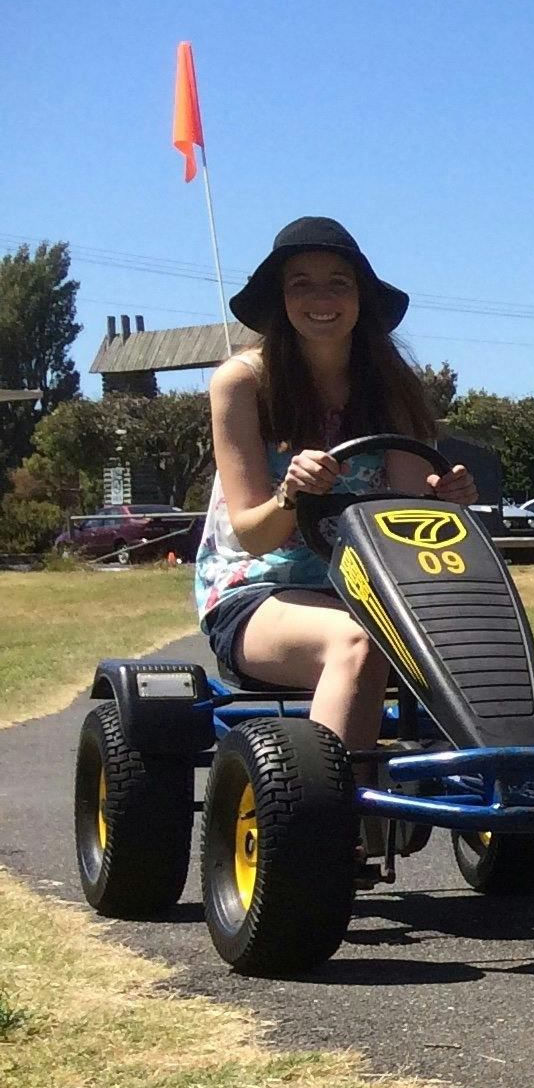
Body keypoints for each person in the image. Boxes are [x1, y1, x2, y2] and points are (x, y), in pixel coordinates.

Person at [197, 215, 473, 753]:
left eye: (338, 283)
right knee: (358, 643)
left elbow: (411, 518)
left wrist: (445, 500)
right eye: (301, 283)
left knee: (496, 654)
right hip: (256, 594)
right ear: (280, 300)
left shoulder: (391, 388)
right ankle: (328, 826)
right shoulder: (242, 382)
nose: (320, 298)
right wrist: (290, 493)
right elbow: (252, 535)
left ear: (360, 299)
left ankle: (516, 805)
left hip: (377, 592)